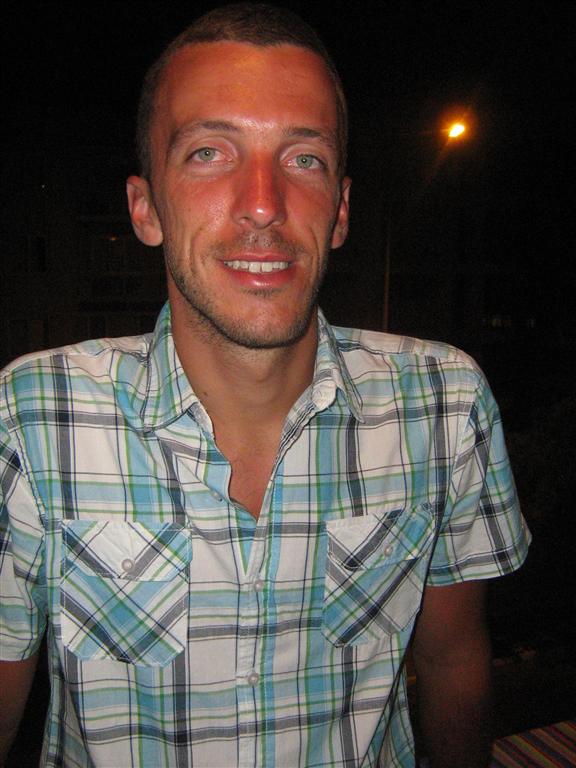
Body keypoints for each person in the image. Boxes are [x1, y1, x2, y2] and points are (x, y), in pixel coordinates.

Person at [0, 4, 530, 767]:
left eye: (303, 158)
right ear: (145, 208)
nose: (262, 203)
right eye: (209, 153)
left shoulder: (444, 403)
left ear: (340, 211)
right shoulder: (30, 420)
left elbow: (453, 662)